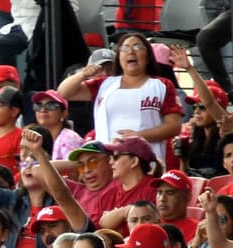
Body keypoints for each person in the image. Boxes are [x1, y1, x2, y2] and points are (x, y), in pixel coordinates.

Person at [56, 29, 183, 164]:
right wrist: (82, 75)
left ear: (147, 57)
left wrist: (138, 137)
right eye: (125, 48)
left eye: (137, 47)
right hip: (106, 162)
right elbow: (64, 93)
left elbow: (174, 126)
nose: (131, 51)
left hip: (146, 162)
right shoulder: (104, 84)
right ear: (119, 58)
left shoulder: (162, 85)